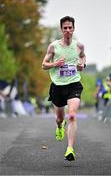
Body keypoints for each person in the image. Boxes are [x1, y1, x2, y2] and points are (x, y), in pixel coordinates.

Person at [42, 16, 86, 161]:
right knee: (60, 118)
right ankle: (60, 126)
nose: (67, 30)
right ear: (62, 30)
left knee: (72, 115)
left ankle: (70, 149)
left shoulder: (79, 46)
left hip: (74, 84)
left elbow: (83, 57)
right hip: (58, 87)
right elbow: (43, 65)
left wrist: (82, 65)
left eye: (70, 27)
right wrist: (55, 64)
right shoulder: (54, 46)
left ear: (73, 28)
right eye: (65, 28)